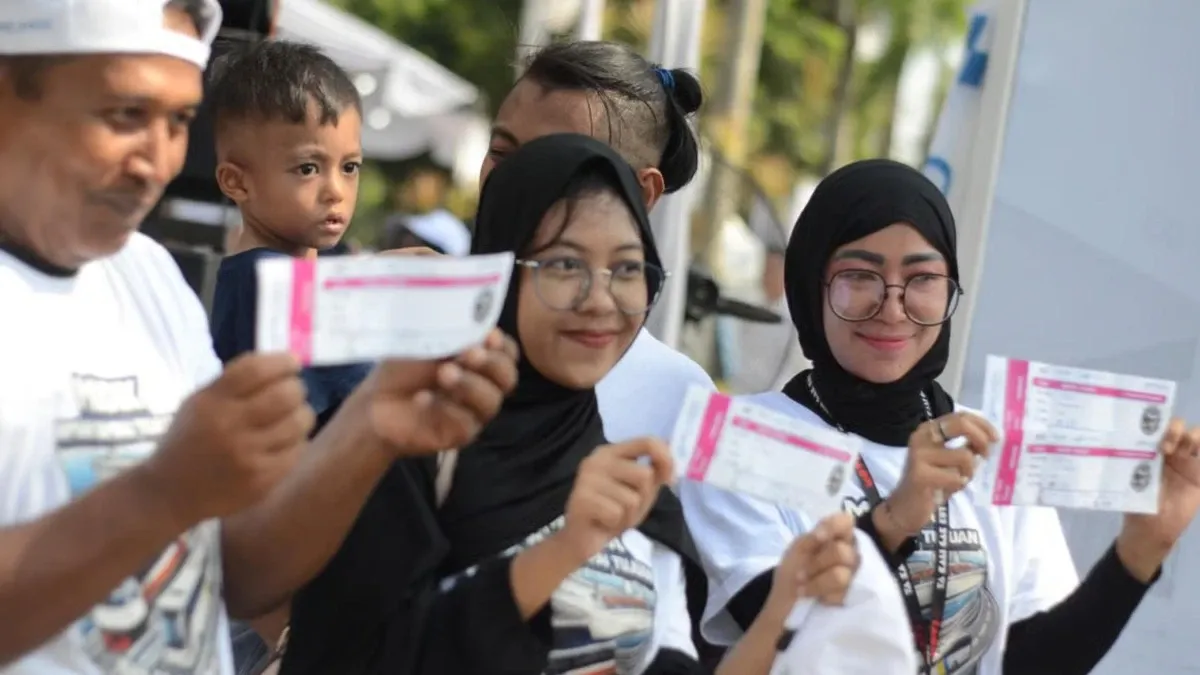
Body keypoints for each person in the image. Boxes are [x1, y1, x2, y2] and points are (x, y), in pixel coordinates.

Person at [0, 2, 519, 672]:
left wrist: (374, 422)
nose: (157, 159)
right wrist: (163, 491)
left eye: (181, 120)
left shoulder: (151, 275)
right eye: (125, 114)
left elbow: (237, 571)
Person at [679, 158, 1200, 675]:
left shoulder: (990, 444)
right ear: (810, 285)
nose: (892, 306)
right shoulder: (739, 439)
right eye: (859, 275)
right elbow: (774, 635)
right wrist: (891, 523)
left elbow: (1026, 664)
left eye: (922, 277)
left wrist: (1141, 550)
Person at [199, 39, 369, 674]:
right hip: (280, 611)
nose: (335, 192)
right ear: (236, 181)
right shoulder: (274, 288)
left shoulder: (273, 280)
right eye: (307, 169)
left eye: (349, 167)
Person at [482, 40, 714, 445]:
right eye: (501, 153)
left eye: (555, 159)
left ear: (642, 194)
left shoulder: (680, 401)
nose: (511, 179)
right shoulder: (416, 331)